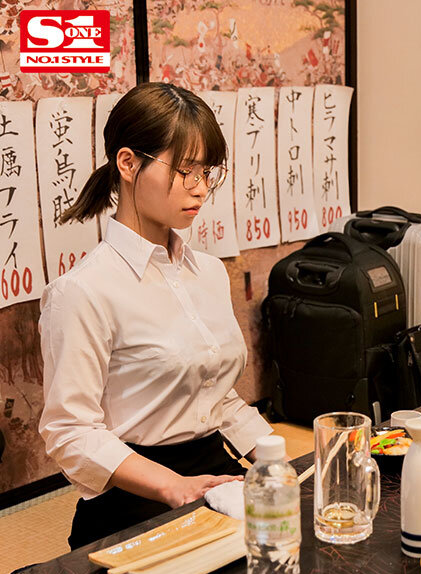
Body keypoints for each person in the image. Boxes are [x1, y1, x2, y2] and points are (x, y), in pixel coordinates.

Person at [38, 82, 273, 549]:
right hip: (132, 495)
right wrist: (172, 486)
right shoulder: (82, 291)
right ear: (128, 163)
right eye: (185, 170)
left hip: (216, 477)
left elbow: (216, 395)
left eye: (207, 172)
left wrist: (275, 459)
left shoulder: (208, 272)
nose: (200, 188)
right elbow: (70, 431)